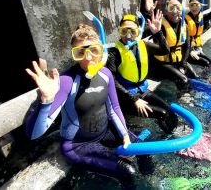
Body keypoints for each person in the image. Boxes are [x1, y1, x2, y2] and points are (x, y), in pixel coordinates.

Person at [25, 24, 152, 189]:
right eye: (80, 52)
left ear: (101, 51)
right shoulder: (66, 81)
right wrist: (46, 100)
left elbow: (114, 108)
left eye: (94, 50)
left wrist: (125, 136)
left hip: (105, 132)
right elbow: (33, 135)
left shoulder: (105, 74)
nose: (88, 57)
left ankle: (150, 183)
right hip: (78, 145)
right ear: (74, 55)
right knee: (128, 171)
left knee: (144, 150)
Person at [106, 11, 179, 134]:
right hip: (126, 97)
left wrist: (158, 33)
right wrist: (134, 99)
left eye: (132, 31)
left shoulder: (143, 45)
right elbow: (112, 81)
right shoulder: (114, 53)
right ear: (119, 31)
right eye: (124, 31)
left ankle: (170, 134)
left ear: (138, 31)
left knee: (168, 110)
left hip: (142, 91)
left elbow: (165, 50)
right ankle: (167, 140)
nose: (128, 36)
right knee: (163, 113)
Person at [143, 0, 198, 89]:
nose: (175, 11)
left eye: (178, 8)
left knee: (194, 76)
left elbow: (186, 46)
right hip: (162, 64)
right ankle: (183, 99)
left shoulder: (184, 26)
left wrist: (183, 65)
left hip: (177, 61)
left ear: (182, 10)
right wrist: (148, 12)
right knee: (183, 80)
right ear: (166, 11)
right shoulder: (160, 25)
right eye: (171, 8)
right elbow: (143, 31)